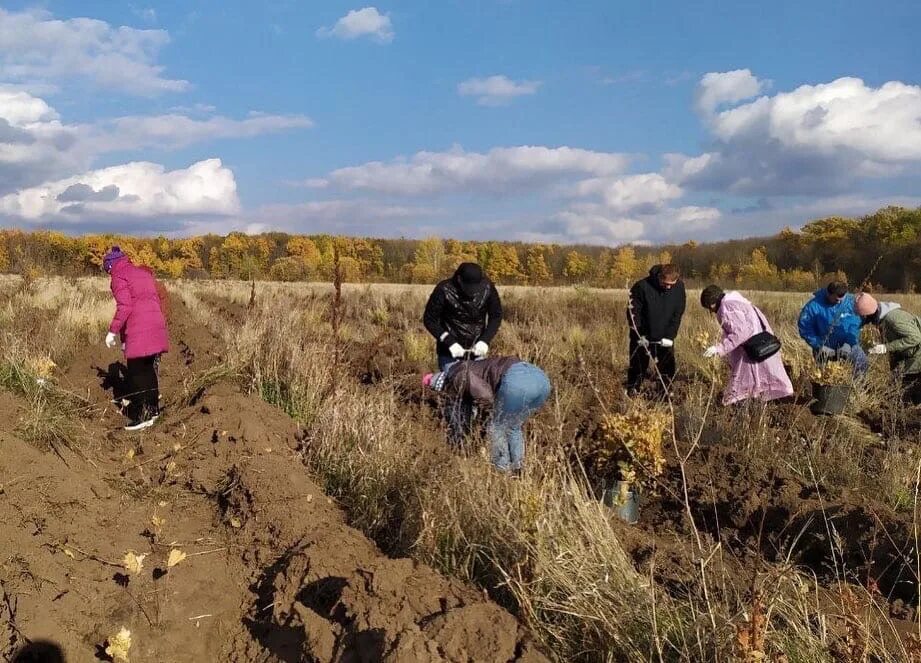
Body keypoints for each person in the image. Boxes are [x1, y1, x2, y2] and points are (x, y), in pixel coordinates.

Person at [423, 356, 551, 473]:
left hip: (517, 380)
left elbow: (484, 394)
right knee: (513, 426)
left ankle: (502, 470)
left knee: (496, 428)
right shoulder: (469, 366)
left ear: (440, 383)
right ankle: (518, 468)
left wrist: (490, 412)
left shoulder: (456, 374)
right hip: (542, 380)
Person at [423, 263, 503, 444]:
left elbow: (496, 315)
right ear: (459, 279)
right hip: (450, 352)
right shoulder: (444, 290)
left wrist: (485, 340)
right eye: (468, 288)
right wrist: (449, 341)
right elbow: (429, 319)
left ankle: (475, 433)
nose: (472, 292)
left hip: (477, 351)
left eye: (475, 288)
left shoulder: (487, 288)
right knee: (457, 393)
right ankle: (457, 440)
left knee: (477, 392)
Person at [103, 246, 169, 430]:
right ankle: (153, 410)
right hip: (155, 323)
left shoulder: (118, 277)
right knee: (147, 368)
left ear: (110, 267)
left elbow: (125, 307)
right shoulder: (140, 272)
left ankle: (144, 414)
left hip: (140, 327)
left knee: (137, 371)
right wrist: (125, 339)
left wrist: (112, 331)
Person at [700, 285, 794, 405]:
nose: (711, 311)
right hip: (762, 342)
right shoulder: (736, 301)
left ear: (712, 303)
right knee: (765, 375)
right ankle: (761, 402)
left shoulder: (727, 308)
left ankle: (736, 403)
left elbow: (740, 333)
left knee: (742, 379)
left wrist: (720, 348)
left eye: (709, 308)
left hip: (752, 349)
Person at [626, 264, 686, 394]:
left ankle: (665, 394)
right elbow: (633, 313)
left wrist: (670, 336)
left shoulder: (679, 287)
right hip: (642, 336)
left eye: (672, 284)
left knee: (667, 368)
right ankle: (633, 391)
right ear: (659, 277)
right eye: (665, 284)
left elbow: (678, 313)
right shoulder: (641, 287)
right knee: (638, 366)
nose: (669, 287)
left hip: (665, 337)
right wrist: (639, 335)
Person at [855, 293, 921, 405]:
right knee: (897, 392)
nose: (864, 321)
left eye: (863, 317)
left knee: (909, 397)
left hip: (918, 356)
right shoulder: (882, 320)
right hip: (909, 356)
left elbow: (915, 338)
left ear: (868, 314)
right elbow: (897, 347)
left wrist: (886, 347)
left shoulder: (893, 319)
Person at [798, 281, 868, 374]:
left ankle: (856, 387)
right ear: (828, 294)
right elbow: (805, 328)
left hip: (847, 345)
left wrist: (849, 343)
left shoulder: (850, 303)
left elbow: (855, 324)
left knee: (862, 362)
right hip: (824, 348)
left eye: (842, 299)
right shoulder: (813, 306)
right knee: (821, 375)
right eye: (836, 299)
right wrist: (819, 345)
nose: (839, 301)